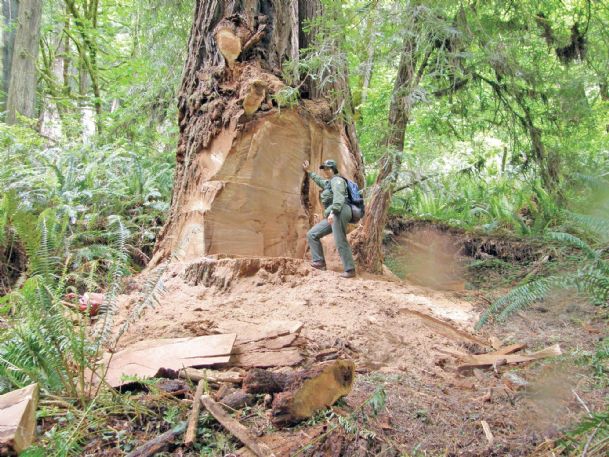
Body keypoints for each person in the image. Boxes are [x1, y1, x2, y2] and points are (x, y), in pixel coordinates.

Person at [303, 159, 356, 278]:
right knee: (312, 234)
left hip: (339, 211)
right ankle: (319, 262)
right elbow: (319, 180)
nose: (325, 171)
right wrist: (309, 171)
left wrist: (333, 212)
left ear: (333, 169)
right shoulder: (329, 183)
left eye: (327, 168)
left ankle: (350, 269)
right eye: (324, 169)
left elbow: (339, 197)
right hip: (334, 213)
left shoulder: (337, 180)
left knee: (340, 239)